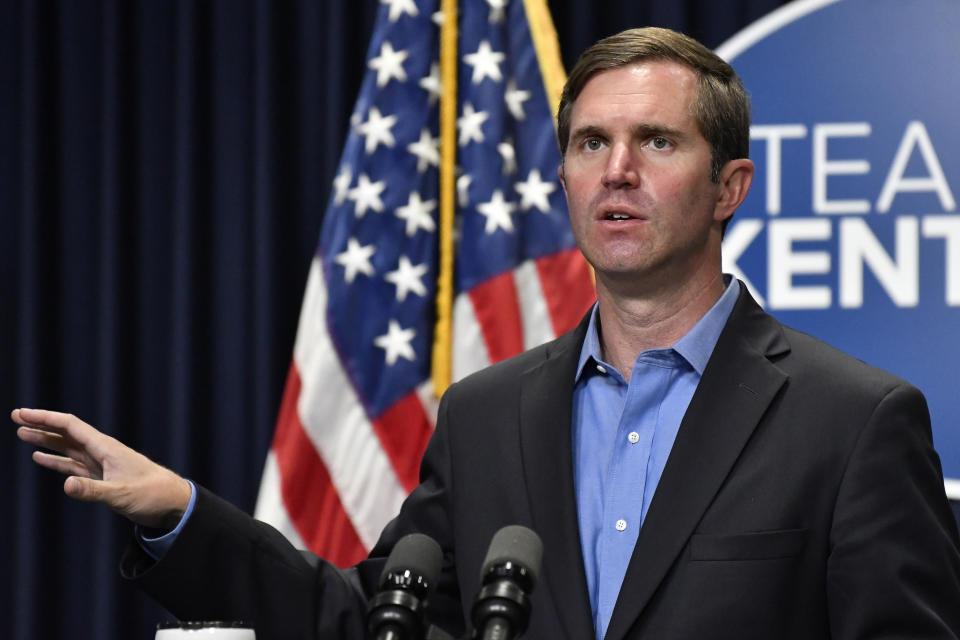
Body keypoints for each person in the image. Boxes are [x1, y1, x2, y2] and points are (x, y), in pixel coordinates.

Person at [13, 26, 960, 640]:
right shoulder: (487, 413)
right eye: (592, 143)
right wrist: (181, 509)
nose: (617, 170)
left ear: (730, 188)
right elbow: (370, 617)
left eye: (657, 143)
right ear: (565, 179)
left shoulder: (853, 421)